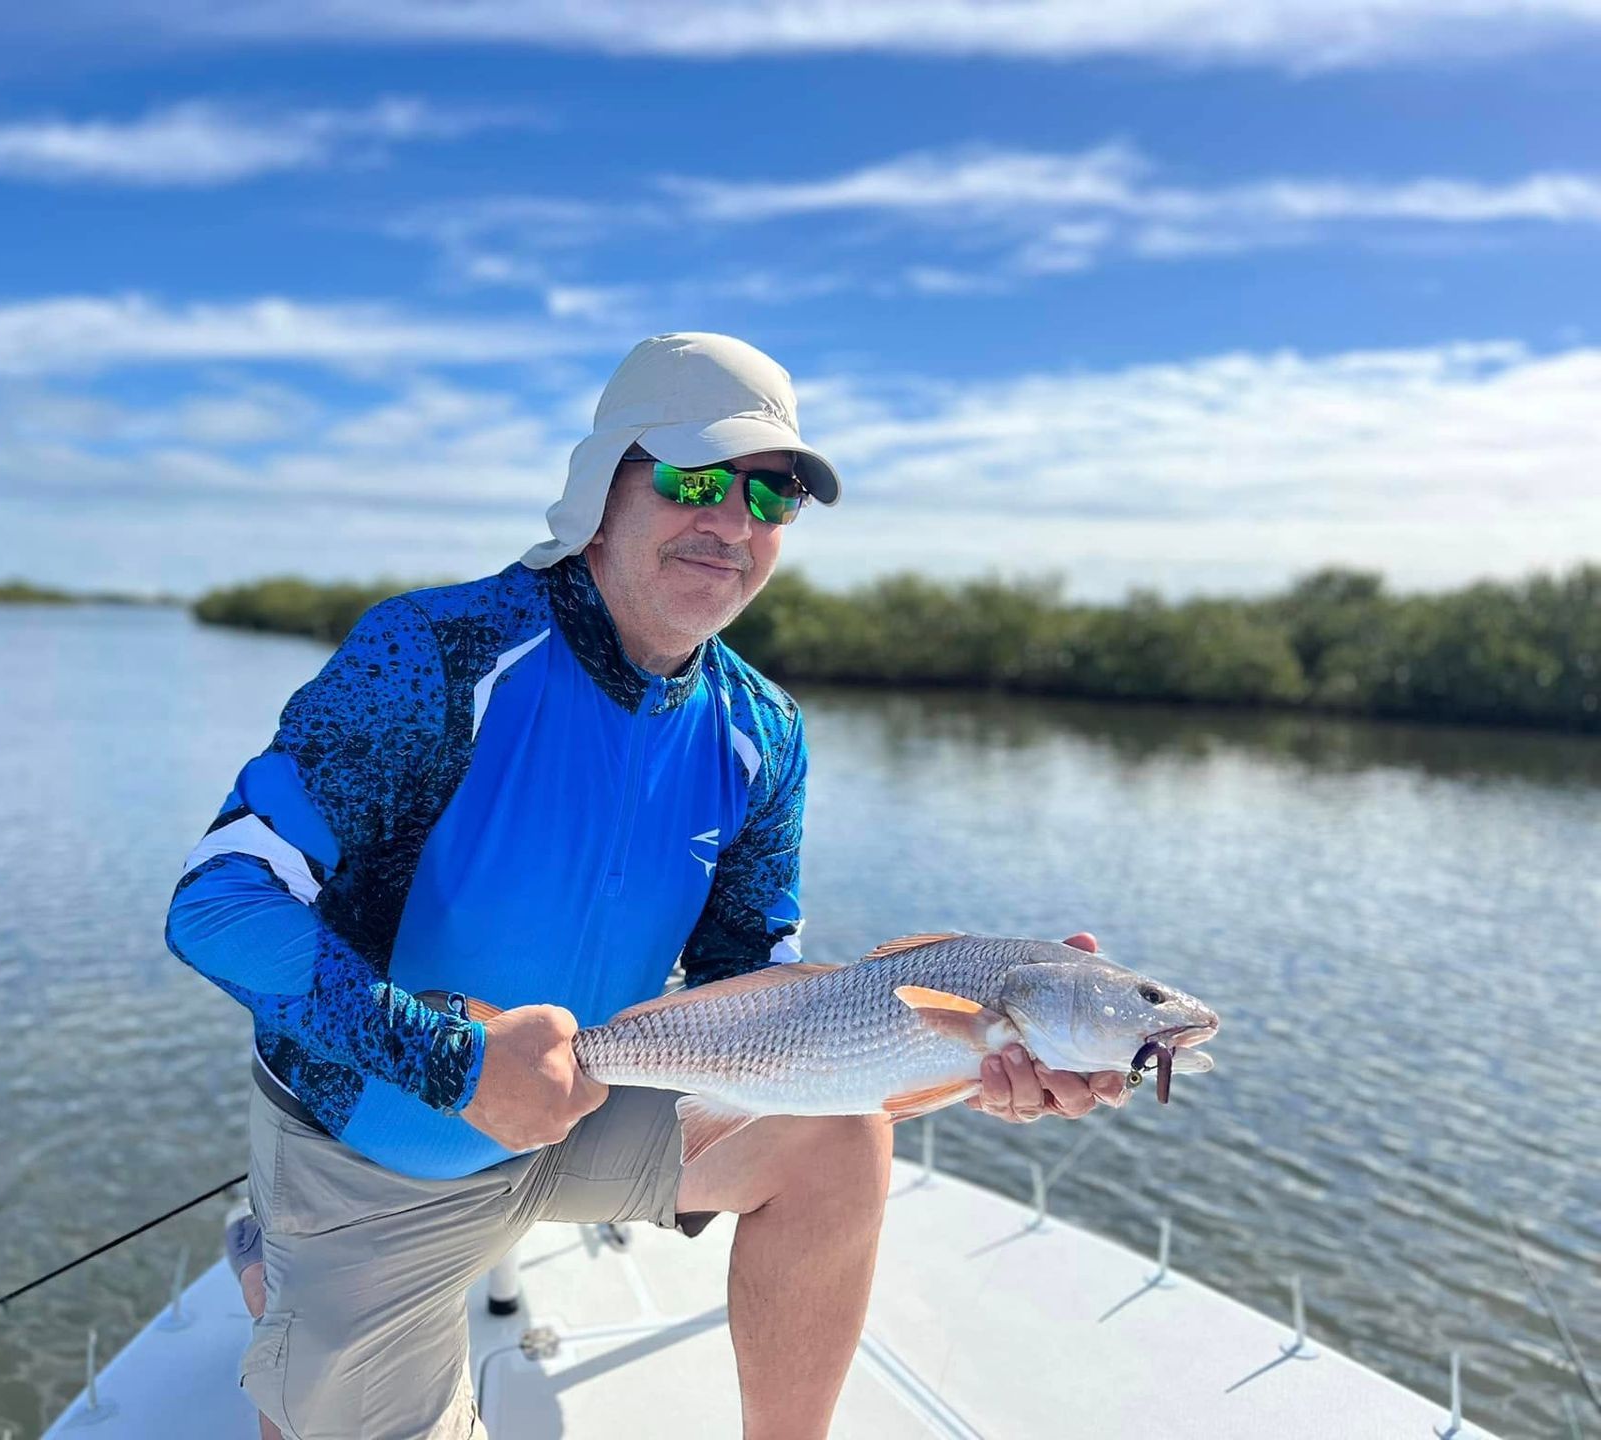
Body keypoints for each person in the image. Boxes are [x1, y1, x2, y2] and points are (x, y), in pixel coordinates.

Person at [165, 332, 1132, 1440]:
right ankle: (279, 1265)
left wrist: (972, 1053)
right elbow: (217, 902)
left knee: (842, 1133)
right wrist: (452, 1061)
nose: (733, 521)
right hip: (384, 1143)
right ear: (599, 486)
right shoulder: (431, 655)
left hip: (600, 1096)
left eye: (772, 496)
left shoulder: (764, 730)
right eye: (694, 478)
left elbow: (755, 986)